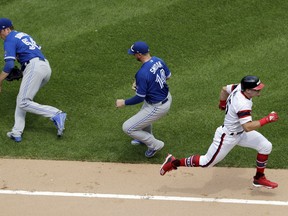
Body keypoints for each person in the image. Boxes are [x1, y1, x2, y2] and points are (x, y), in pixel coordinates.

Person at [160, 75, 279, 189]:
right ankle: (173, 162)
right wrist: (267, 119)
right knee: (206, 163)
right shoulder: (243, 103)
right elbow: (247, 127)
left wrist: (222, 103)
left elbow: (224, 89)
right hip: (227, 137)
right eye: (256, 90)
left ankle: (259, 178)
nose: (259, 92)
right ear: (247, 90)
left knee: (265, 146)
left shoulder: (239, 87)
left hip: (240, 133)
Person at [0, 18, 67, 142]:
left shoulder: (9, 39)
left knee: (23, 101)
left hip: (34, 67)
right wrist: (23, 70)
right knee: (22, 99)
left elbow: (9, 65)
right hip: (45, 67)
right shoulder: (22, 35)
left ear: (6, 29)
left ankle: (56, 113)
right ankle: (16, 132)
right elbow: (31, 52)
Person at [116, 41, 172, 158]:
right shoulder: (158, 60)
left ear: (139, 55)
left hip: (157, 106)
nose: (133, 56)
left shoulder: (142, 73)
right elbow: (168, 76)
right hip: (165, 96)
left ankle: (155, 145)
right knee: (143, 118)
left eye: (134, 54)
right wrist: (142, 84)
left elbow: (139, 98)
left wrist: (124, 102)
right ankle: (144, 138)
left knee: (128, 128)